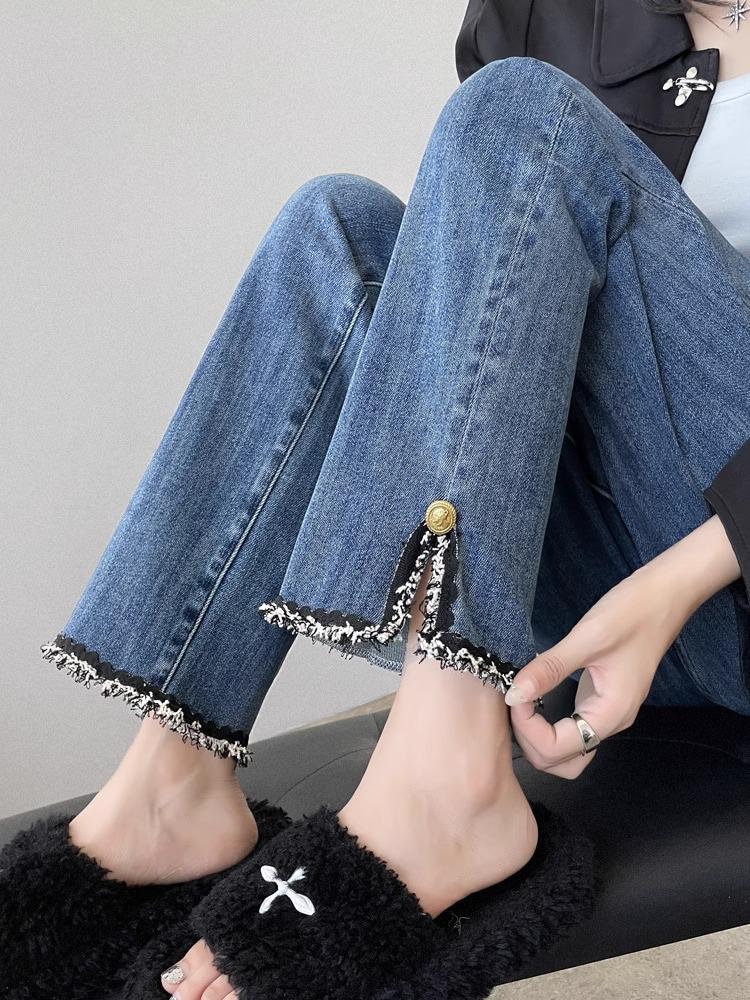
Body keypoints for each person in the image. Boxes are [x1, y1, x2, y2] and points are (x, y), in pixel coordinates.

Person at [5, 1, 750, 998]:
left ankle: (444, 787)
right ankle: (169, 787)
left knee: (523, 113)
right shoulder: (549, 11)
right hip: (599, 605)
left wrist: (673, 585)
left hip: (716, 580)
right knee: (340, 230)